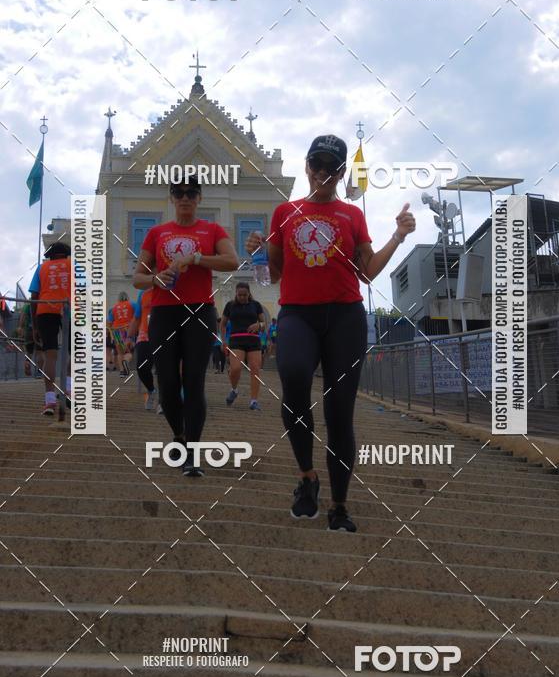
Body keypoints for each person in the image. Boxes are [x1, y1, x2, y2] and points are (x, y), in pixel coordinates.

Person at [246, 134, 416, 532]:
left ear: (341, 173)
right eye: (317, 164)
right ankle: (308, 478)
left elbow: (367, 272)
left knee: (340, 413)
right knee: (293, 377)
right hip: (297, 315)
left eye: (332, 167)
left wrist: (398, 237)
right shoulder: (284, 213)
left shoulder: (352, 215)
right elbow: (273, 273)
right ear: (307, 167)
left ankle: (339, 504)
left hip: (344, 316)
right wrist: (257, 248)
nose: (323, 172)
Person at [133, 175, 239, 476]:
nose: (185, 198)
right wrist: (155, 278)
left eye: (191, 193)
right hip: (164, 312)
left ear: (199, 199)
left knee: (194, 383)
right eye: (178, 193)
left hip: (199, 310)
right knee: (167, 385)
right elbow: (137, 277)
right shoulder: (157, 232)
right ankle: (178, 435)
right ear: (171, 198)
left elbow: (232, 261)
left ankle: (192, 452)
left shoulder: (212, 229)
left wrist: (197, 258)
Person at [28, 242, 72, 416]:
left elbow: (33, 296)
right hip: (70, 308)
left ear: (50, 256)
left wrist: (35, 326)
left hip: (45, 310)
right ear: (66, 255)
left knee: (50, 355)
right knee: (75, 352)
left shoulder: (41, 268)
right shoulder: (74, 266)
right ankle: (69, 390)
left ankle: (49, 401)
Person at [221, 282, 266, 410]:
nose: (242, 297)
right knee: (235, 369)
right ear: (236, 293)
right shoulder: (230, 305)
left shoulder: (256, 305)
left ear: (249, 293)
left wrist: (259, 325)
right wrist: (223, 341)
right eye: (239, 295)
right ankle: (234, 390)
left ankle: (254, 401)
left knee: (255, 369)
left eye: (244, 295)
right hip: (236, 341)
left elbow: (264, 323)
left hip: (253, 341)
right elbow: (223, 324)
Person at [129, 288, 156, 410]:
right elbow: (137, 317)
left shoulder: (171, 289)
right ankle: (151, 390)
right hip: (145, 334)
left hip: (165, 335)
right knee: (142, 367)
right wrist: (128, 337)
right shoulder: (143, 293)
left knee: (164, 369)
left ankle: (163, 401)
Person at [108, 292, 135, 377]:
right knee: (129, 352)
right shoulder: (132, 304)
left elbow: (109, 322)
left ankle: (122, 372)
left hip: (116, 331)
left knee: (120, 353)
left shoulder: (114, 308)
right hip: (128, 330)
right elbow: (138, 316)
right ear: (127, 297)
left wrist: (111, 332)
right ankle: (126, 362)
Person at [17, 300, 43, 377]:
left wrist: (20, 327)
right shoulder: (41, 304)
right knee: (39, 352)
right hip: (39, 331)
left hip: (29, 331)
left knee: (29, 352)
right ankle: (39, 372)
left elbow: (23, 316)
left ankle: (27, 362)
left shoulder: (27, 306)